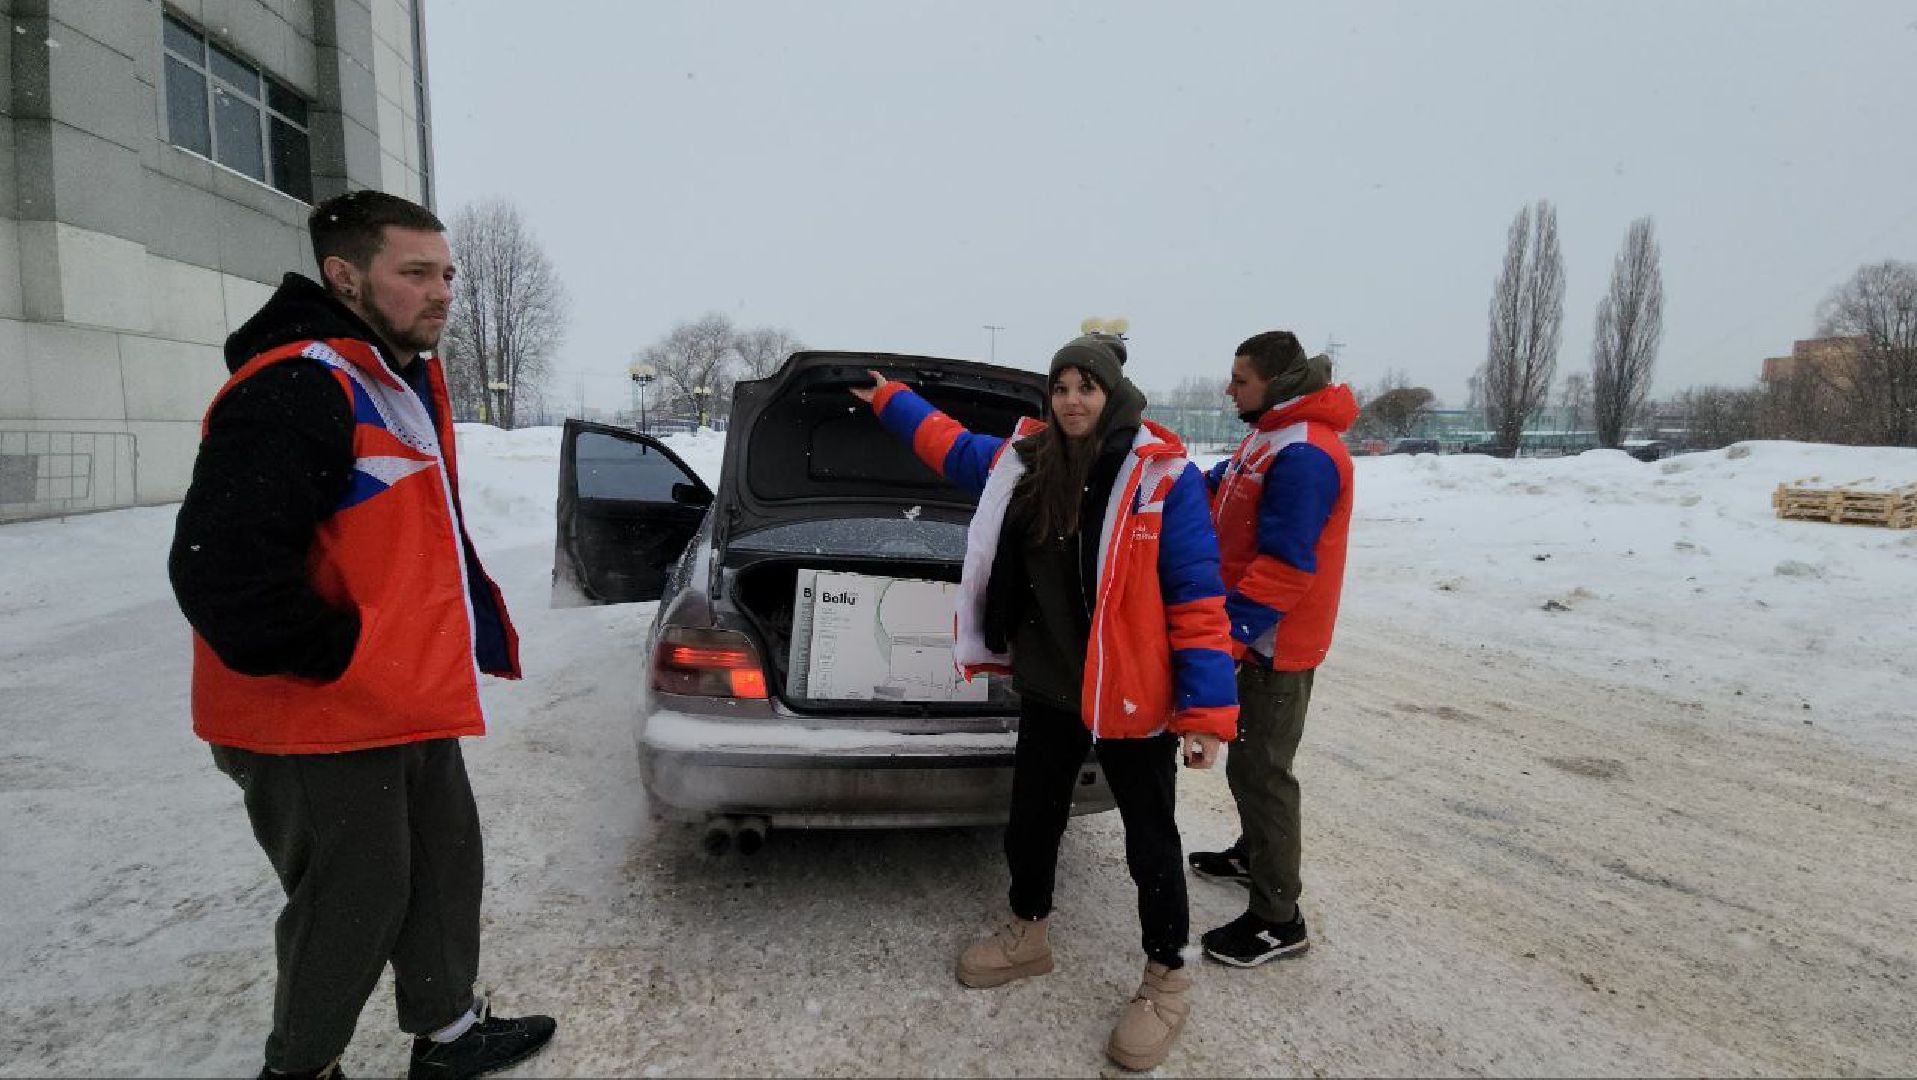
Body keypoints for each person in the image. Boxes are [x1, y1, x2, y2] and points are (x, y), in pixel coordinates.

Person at [168, 190, 556, 1080]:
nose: (442, 292)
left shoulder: (386, 379)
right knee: (356, 896)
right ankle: (300, 1068)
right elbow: (218, 569)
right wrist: (336, 654)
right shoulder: (295, 383)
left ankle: (448, 1031)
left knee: (444, 861)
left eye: (446, 274)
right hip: (314, 713)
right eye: (414, 273)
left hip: (399, 697)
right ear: (344, 276)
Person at [850, 331, 1238, 1071]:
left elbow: (1195, 598)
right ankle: (1027, 932)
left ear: (1112, 393)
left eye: (1084, 387)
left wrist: (1204, 714)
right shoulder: (1022, 466)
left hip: (1131, 695)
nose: (1070, 400)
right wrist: (891, 401)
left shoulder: (1161, 479)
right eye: (1059, 387)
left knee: (1149, 840)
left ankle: (1166, 978)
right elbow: (950, 444)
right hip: (1052, 685)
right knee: (1031, 820)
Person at [1187, 330, 1357, 968]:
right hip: (1252, 635)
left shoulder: (1307, 454)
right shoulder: (1271, 434)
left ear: (1276, 384)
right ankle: (1250, 856)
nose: (1229, 389)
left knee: (1264, 773)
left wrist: (1226, 638)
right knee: (1248, 764)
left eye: (1240, 379)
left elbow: (1287, 568)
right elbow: (1223, 484)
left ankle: (1278, 917)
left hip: (1273, 643)